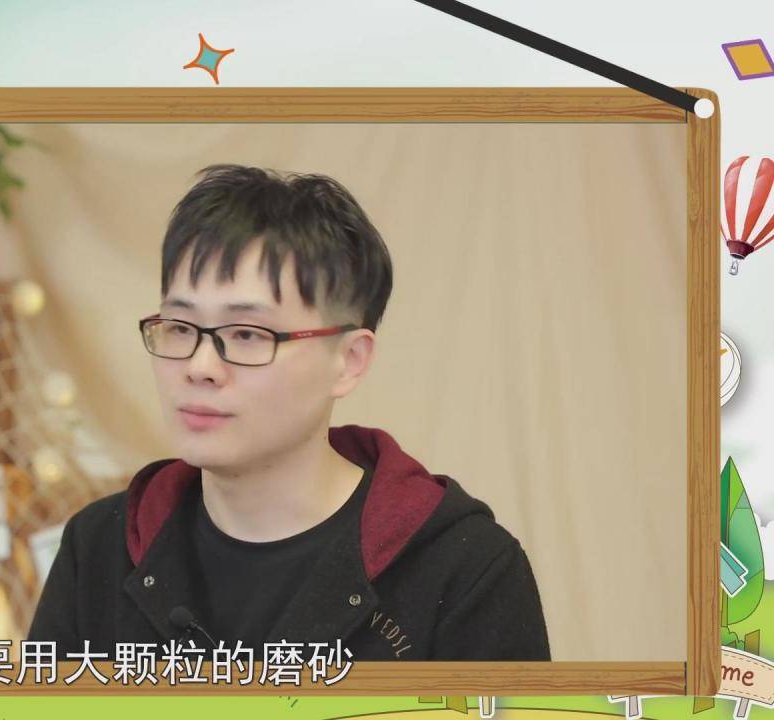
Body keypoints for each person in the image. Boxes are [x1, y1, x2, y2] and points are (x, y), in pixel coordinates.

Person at [27, 164, 550, 661]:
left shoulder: (465, 569)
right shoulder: (98, 547)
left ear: (348, 361)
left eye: (247, 334)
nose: (200, 367)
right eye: (181, 328)